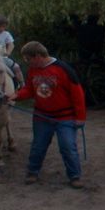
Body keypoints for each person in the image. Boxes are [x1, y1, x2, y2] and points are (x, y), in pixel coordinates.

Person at [9, 41, 87, 189]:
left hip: (65, 117)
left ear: (37, 56)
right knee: (38, 146)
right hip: (42, 116)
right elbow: (30, 90)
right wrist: (15, 96)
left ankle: (74, 176)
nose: (27, 62)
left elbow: (78, 94)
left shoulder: (63, 69)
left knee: (68, 146)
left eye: (28, 59)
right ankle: (32, 172)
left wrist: (80, 117)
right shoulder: (33, 70)